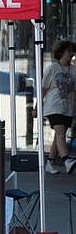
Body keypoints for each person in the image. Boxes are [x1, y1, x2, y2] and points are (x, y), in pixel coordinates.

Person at [41, 40, 76, 174]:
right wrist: (37, 108)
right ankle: (67, 161)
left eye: (72, 51)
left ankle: (49, 162)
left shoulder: (73, 70)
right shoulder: (52, 68)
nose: (71, 53)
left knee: (58, 136)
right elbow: (43, 89)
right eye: (68, 51)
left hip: (68, 108)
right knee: (61, 133)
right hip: (54, 107)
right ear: (61, 52)